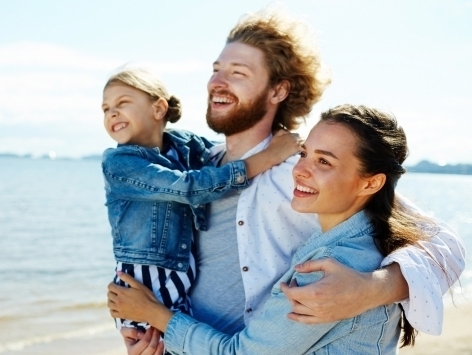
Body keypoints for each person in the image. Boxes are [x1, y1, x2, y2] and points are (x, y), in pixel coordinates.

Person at [109, 7, 465, 355]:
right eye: (216, 69)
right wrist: (146, 331)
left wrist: (371, 289)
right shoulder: (198, 166)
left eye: (238, 73)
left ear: (278, 91)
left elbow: (444, 245)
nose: (217, 81)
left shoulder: (304, 171)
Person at [109, 104, 448, 354]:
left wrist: (154, 314)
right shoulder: (353, 239)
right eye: (303, 154)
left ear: (371, 183)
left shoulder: (332, 270)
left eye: (324, 162)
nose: (300, 171)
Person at [101, 67, 300, 333]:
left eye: (122, 103)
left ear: (158, 109)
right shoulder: (120, 162)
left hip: (183, 281)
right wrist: (269, 157)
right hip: (146, 283)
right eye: (105, 109)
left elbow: (231, 151)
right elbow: (191, 187)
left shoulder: (185, 144)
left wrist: (278, 140)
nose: (112, 113)